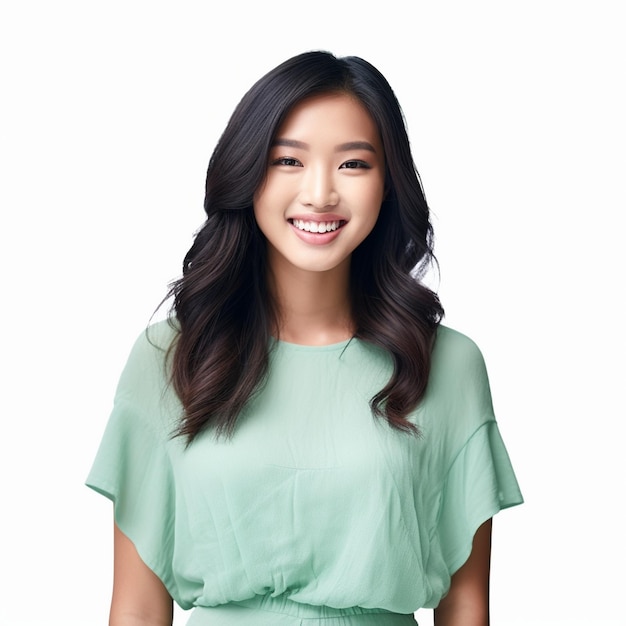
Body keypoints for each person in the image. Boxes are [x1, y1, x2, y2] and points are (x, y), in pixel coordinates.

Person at [86, 50, 523, 626]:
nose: (319, 194)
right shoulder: (170, 357)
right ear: (247, 174)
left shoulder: (446, 364)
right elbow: (137, 609)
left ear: (389, 185)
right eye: (288, 160)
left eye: (353, 165)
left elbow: (466, 606)